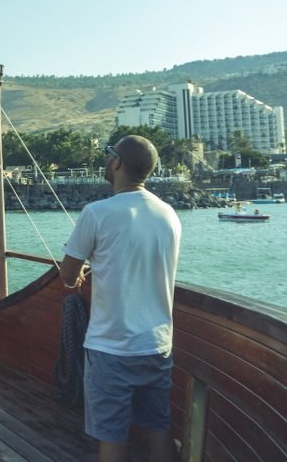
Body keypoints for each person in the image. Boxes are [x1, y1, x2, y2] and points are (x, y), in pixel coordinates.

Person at [59, 136, 181, 462]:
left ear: (117, 163)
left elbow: (68, 275)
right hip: (157, 344)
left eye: (108, 155)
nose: (105, 160)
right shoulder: (168, 214)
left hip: (111, 347)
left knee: (112, 436)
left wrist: (81, 274)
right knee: (159, 427)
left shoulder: (97, 213)